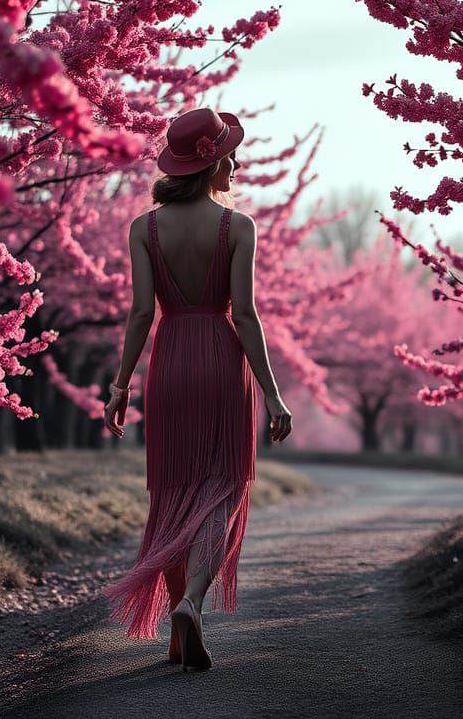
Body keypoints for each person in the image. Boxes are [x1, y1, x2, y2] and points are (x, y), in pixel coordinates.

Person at [101, 107, 292, 672]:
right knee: (225, 485)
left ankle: (180, 636)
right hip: (219, 360)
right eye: (228, 154)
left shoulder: (144, 228)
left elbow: (140, 314)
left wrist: (120, 386)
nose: (235, 162)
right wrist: (273, 394)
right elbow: (247, 318)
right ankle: (190, 602)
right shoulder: (238, 227)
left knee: (175, 488)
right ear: (211, 164)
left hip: (170, 360)